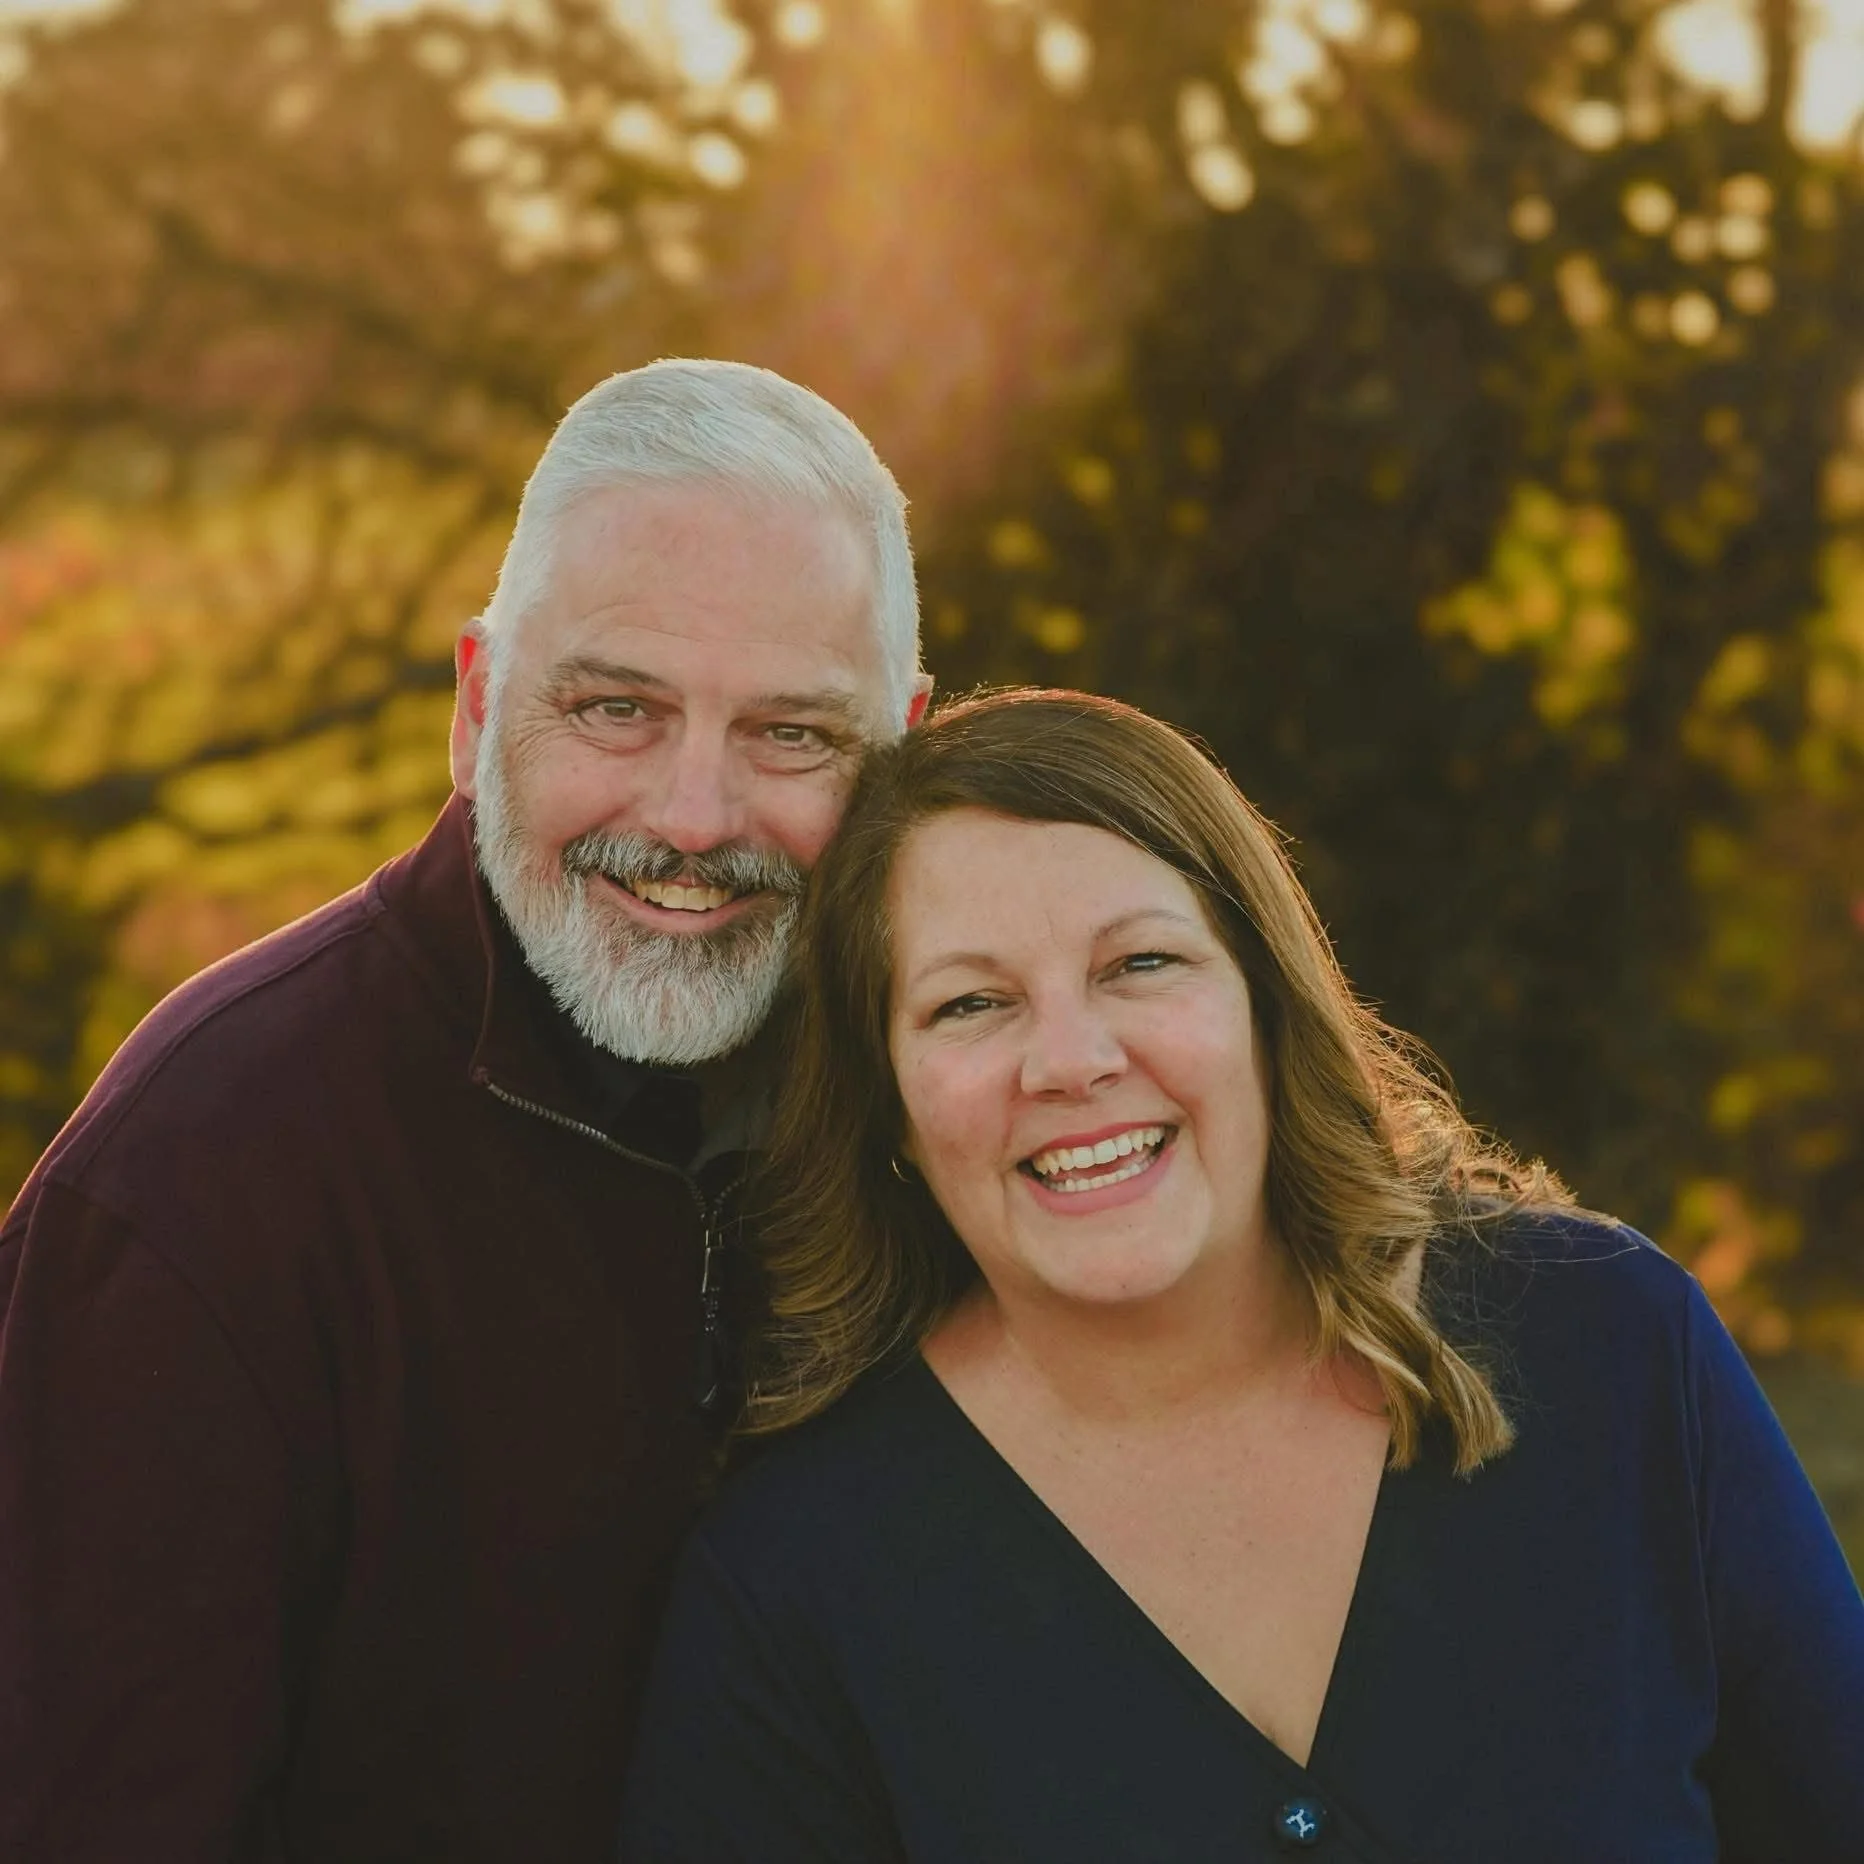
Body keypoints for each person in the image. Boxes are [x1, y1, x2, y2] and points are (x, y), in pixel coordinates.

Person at [620, 689, 1864, 1864]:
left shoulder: (1609, 1342)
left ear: (1265, 999)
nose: (1070, 1059)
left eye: (1140, 965)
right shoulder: (794, 1584)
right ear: (888, 1102)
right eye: (970, 1004)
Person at [0, 358, 931, 1863]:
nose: (695, 820)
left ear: (905, 744)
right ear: (480, 703)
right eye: (617, 708)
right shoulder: (202, 1188)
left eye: (792, 735)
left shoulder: (952, 1115)